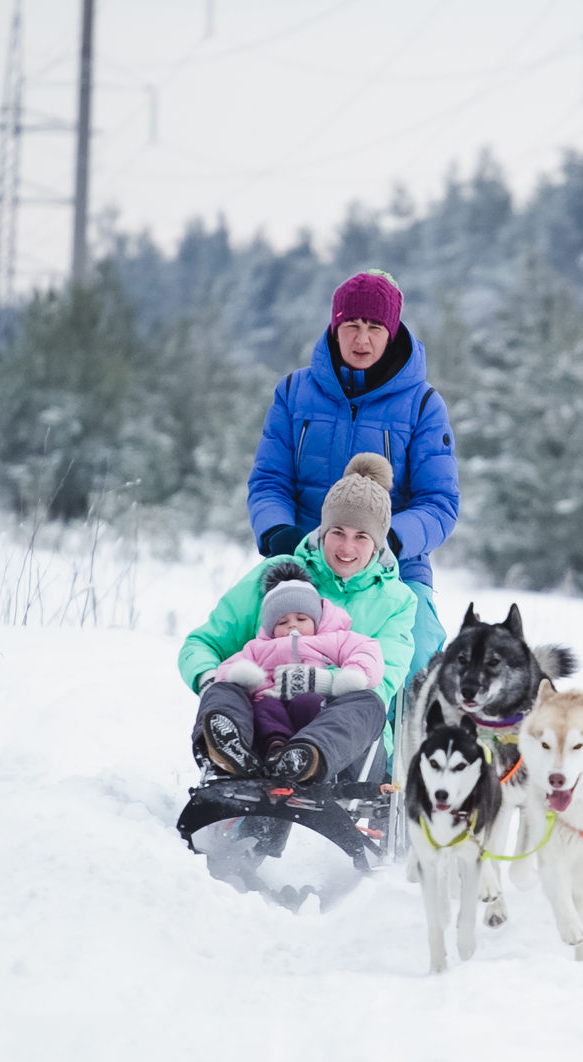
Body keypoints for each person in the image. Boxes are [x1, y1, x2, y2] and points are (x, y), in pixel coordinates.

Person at [247, 269, 457, 680]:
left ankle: (406, 744)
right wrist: (278, 534)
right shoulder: (293, 392)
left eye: (375, 327)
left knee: (417, 669)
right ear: (335, 326)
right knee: (245, 645)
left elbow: (440, 503)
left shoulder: (423, 405)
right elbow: (269, 481)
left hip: (394, 571)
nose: (361, 340)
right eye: (351, 326)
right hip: (304, 562)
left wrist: (387, 540)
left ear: (392, 331)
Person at [181, 453, 416, 785]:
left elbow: (381, 679)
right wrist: (217, 683)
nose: (347, 546)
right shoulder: (277, 576)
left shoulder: (398, 601)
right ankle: (227, 746)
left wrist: (317, 682)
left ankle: (306, 757)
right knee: (224, 686)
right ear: (322, 531)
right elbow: (201, 645)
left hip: (345, 745)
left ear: (378, 542)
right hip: (263, 726)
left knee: (368, 702)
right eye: (338, 531)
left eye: (361, 536)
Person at [208, 559, 385, 763]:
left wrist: (351, 674)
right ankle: (277, 749)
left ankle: (305, 751)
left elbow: (365, 649)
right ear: (271, 627)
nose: (293, 626)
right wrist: (245, 678)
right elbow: (227, 669)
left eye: (302, 619)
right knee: (265, 707)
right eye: (282, 622)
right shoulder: (258, 647)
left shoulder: (332, 639)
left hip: (312, 704)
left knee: (308, 702)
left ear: (316, 620)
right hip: (271, 703)